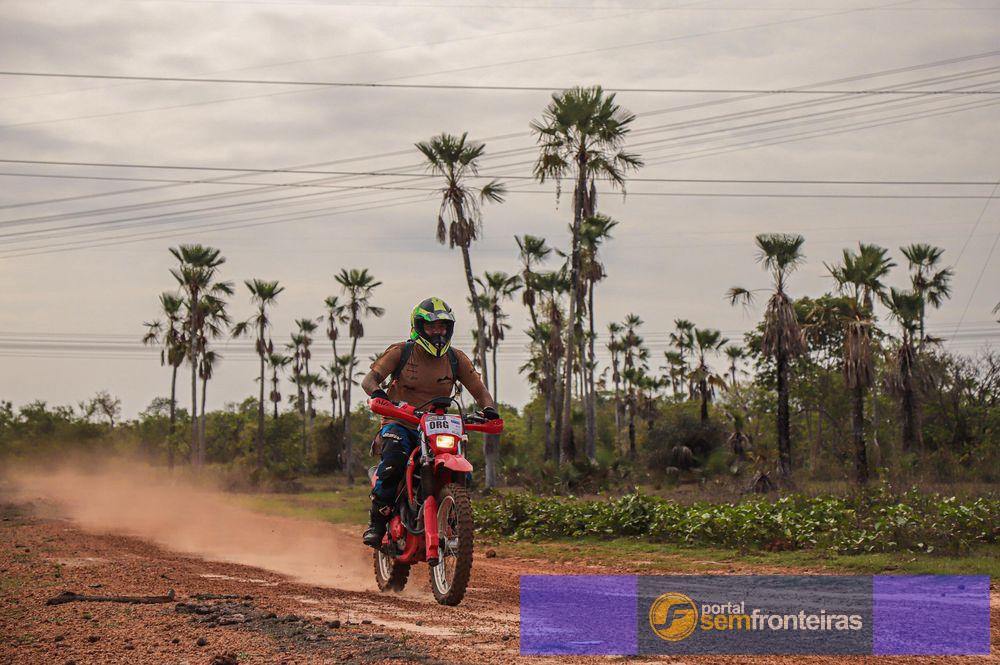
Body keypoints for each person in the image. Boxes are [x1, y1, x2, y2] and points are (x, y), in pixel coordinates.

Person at [359, 297, 498, 548]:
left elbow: (480, 391)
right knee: (393, 463)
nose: (438, 332)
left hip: (438, 425)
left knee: (459, 471)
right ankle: (377, 523)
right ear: (419, 327)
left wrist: (489, 410)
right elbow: (369, 380)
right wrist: (378, 395)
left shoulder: (456, 359)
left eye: (443, 327)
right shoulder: (401, 352)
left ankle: (452, 518)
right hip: (399, 422)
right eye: (432, 327)